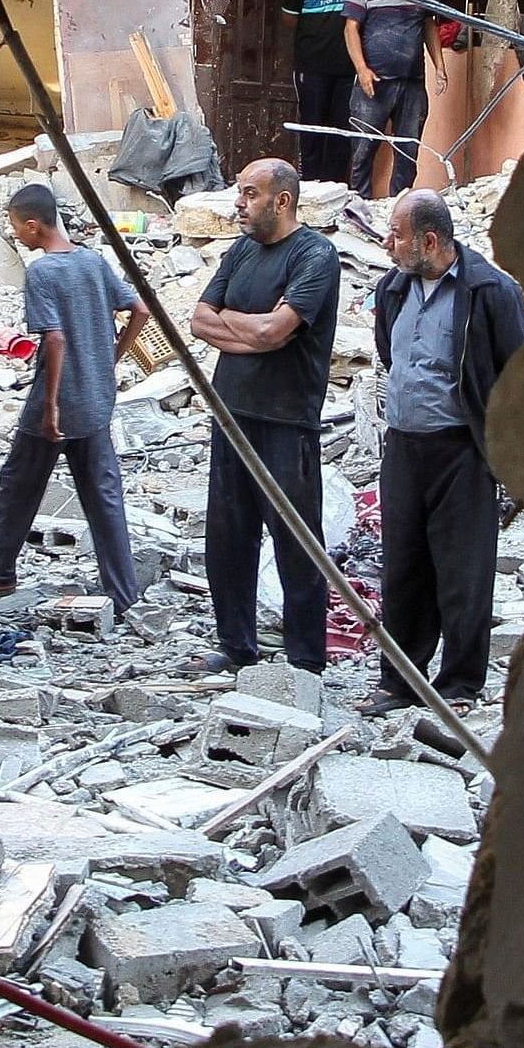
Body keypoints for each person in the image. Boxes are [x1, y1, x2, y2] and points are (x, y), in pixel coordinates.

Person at [360, 188, 524, 712]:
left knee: (463, 569)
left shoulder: (490, 291)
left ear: (429, 241)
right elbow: (391, 353)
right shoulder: (393, 288)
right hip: (405, 448)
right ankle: (400, 680)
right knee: (403, 566)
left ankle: (459, 683)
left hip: (462, 450)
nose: (387, 243)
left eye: (397, 235)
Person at [186, 158, 343, 677]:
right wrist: (249, 330)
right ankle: (235, 645)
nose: (239, 203)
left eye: (250, 194)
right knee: (228, 537)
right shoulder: (241, 250)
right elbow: (199, 319)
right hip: (232, 414)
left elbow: (273, 333)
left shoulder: (315, 256)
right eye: (239, 192)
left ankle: (304, 660)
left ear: (283, 200)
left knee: (296, 541)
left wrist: (242, 328)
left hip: (286, 420)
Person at [0, 183, 150, 632]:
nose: (15, 234)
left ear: (33, 225)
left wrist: (51, 405)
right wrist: (110, 358)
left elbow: (53, 338)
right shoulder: (92, 260)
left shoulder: (43, 273)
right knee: (104, 497)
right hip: (96, 399)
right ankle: (123, 591)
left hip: (55, 405)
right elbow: (140, 310)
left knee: (18, 486)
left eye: (16, 227)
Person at [343, 0, 438, 198]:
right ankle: (359, 206)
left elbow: (429, 24)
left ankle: (401, 208)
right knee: (363, 149)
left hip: (412, 84)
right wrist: (362, 70)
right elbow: (351, 29)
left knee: (407, 152)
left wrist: (440, 67)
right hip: (374, 82)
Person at [288, 0, 362, 185]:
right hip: (312, 66)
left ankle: (335, 189)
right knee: (312, 128)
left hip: (347, 67)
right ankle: (309, 189)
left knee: (341, 131)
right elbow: (290, 18)